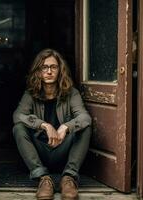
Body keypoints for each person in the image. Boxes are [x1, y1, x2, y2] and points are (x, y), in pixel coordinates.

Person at [13, 48, 92, 200]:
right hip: (40, 152)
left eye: (53, 67)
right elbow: (18, 115)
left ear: (60, 70)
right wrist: (44, 125)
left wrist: (66, 127)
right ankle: (43, 178)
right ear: (38, 71)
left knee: (85, 128)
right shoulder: (31, 93)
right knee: (18, 128)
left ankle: (69, 178)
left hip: (63, 150)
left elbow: (84, 117)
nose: (49, 72)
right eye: (44, 67)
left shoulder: (71, 93)